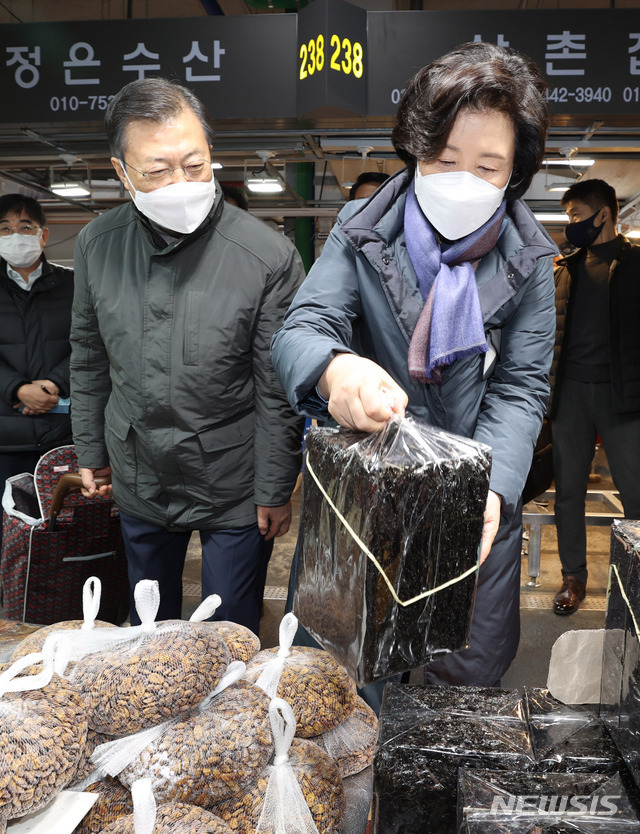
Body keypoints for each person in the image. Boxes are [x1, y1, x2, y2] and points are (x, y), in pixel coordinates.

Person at [271, 41, 556, 689]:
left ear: (515, 173)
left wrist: (490, 487)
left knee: (458, 686)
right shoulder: (361, 228)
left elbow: (520, 385)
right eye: (445, 158)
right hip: (365, 492)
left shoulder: (529, 260)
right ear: (416, 148)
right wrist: (337, 373)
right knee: (340, 684)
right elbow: (302, 330)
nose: (462, 180)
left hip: (473, 506)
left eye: (488, 166)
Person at [70, 77, 306, 632]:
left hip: (233, 479)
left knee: (228, 631)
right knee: (148, 625)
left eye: (194, 164)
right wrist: (90, 450)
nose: (180, 182)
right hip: (138, 469)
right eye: (157, 170)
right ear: (121, 173)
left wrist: (274, 487)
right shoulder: (97, 245)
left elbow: (276, 387)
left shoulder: (266, 255)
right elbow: (88, 356)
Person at [550, 178, 640, 615]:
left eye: (576, 216)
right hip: (570, 396)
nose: (572, 225)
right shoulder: (564, 269)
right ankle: (573, 578)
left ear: (604, 213)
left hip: (623, 396)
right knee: (568, 490)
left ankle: (634, 576)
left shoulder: (636, 263)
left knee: (634, 490)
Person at [0, 194, 73, 548]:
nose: (16, 235)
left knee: (63, 533)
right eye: (5, 228)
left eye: (25, 226)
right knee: (8, 539)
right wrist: (16, 389)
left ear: (43, 235)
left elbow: (93, 345)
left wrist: (53, 383)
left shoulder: (73, 285)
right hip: (5, 436)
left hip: (61, 435)